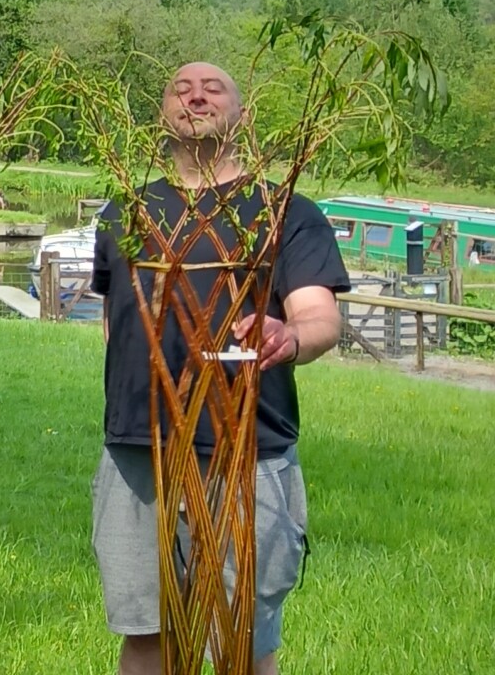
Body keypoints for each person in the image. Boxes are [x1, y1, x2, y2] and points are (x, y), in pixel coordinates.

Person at [90, 62, 346, 675]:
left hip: (245, 452)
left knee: (239, 641)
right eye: (180, 87)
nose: (195, 95)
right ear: (164, 113)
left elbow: (320, 319)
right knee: (146, 632)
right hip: (137, 451)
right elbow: (115, 318)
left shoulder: (283, 210)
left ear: (243, 116)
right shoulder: (126, 209)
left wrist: (288, 335)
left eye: (214, 88)